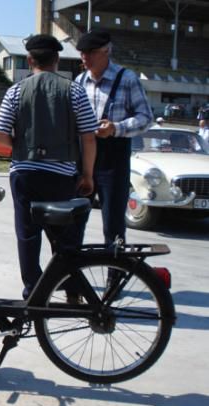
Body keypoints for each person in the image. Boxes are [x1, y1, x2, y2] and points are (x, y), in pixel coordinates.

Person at [0, 34, 97, 300]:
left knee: (28, 235)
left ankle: (33, 292)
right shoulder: (74, 90)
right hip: (61, 175)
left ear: (29, 60)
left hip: (25, 174)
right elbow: (88, 136)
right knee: (64, 236)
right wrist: (87, 174)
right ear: (57, 59)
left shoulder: (16, 90)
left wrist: (21, 145)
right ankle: (72, 289)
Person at [76, 29, 153, 247]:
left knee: (113, 223)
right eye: (82, 53)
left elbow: (146, 117)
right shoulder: (80, 80)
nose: (85, 57)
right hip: (83, 157)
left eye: (90, 52)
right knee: (73, 220)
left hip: (113, 160)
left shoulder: (127, 79)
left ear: (106, 51)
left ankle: (115, 275)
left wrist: (116, 128)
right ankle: (71, 277)